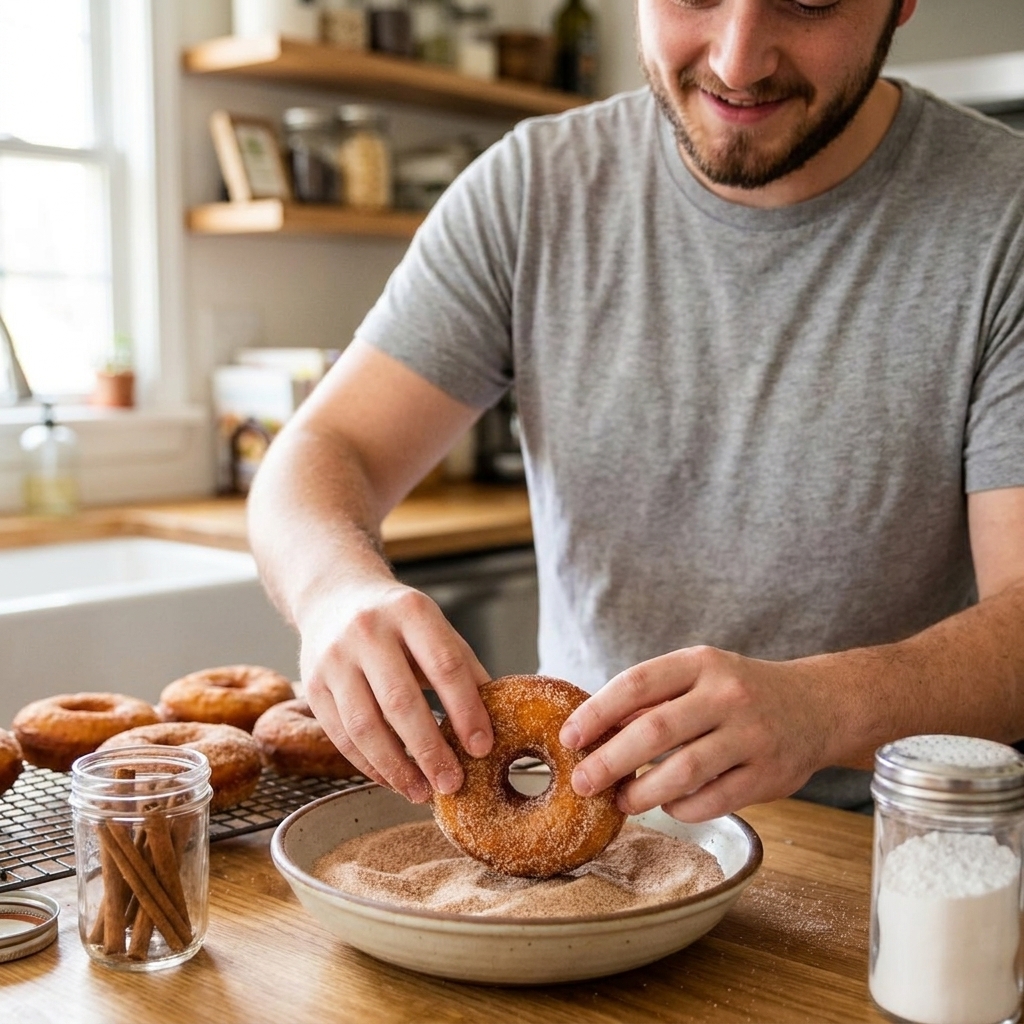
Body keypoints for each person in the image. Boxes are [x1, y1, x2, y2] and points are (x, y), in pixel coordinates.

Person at [247, 0, 1024, 821]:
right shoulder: (532, 189)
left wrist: (823, 707)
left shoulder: (1004, 219)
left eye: (809, 0)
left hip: (892, 852)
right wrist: (335, 590)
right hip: (594, 845)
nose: (737, 61)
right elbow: (326, 447)